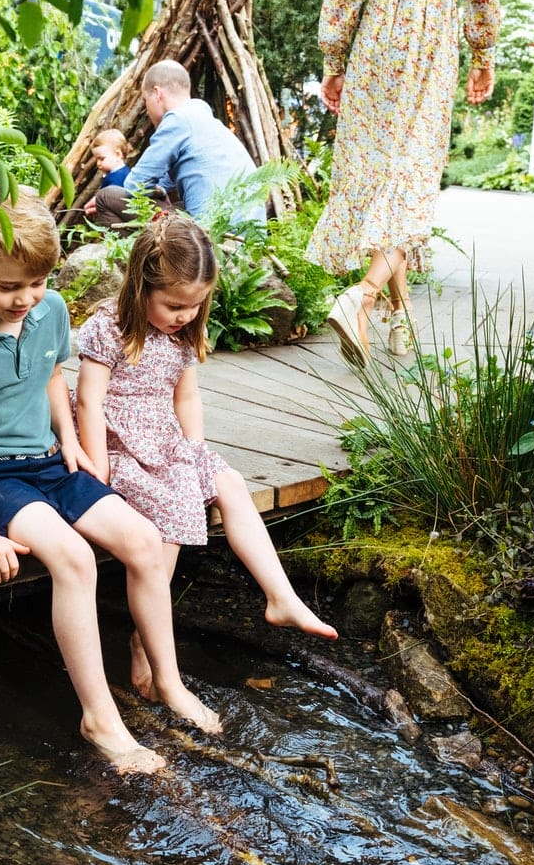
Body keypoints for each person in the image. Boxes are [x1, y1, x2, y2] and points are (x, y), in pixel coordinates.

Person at [0, 186, 221, 776]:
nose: (24, 300)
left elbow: (54, 379)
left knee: (140, 541)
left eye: (35, 284)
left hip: (51, 461)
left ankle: (168, 680)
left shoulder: (49, 310)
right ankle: (100, 718)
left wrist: (77, 444)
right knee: (75, 560)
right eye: (8, 286)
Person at [75, 213, 338, 699]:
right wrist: (98, 469)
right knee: (175, 507)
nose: (185, 316)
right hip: (119, 444)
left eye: (195, 306)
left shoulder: (181, 333)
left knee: (230, 484)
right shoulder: (108, 328)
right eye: (174, 305)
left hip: (167, 439)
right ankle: (144, 641)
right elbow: (89, 400)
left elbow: (186, 398)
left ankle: (281, 596)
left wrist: (194, 450)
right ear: (140, 286)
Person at [308, 0, 500, 367]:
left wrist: (334, 61)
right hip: (431, 34)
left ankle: (402, 314)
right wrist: (483, 52)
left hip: (377, 36)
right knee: (412, 182)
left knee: (385, 180)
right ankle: (362, 297)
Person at [88, 60, 264, 228]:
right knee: (179, 205)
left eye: (145, 101)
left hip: (211, 235)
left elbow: (135, 184)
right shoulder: (201, 117)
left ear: (157, 93)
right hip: (244, 234)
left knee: (106, 196)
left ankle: (130, 258)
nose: (146, 110)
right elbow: (166, 180)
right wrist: (160, 191)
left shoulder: (177, 120)